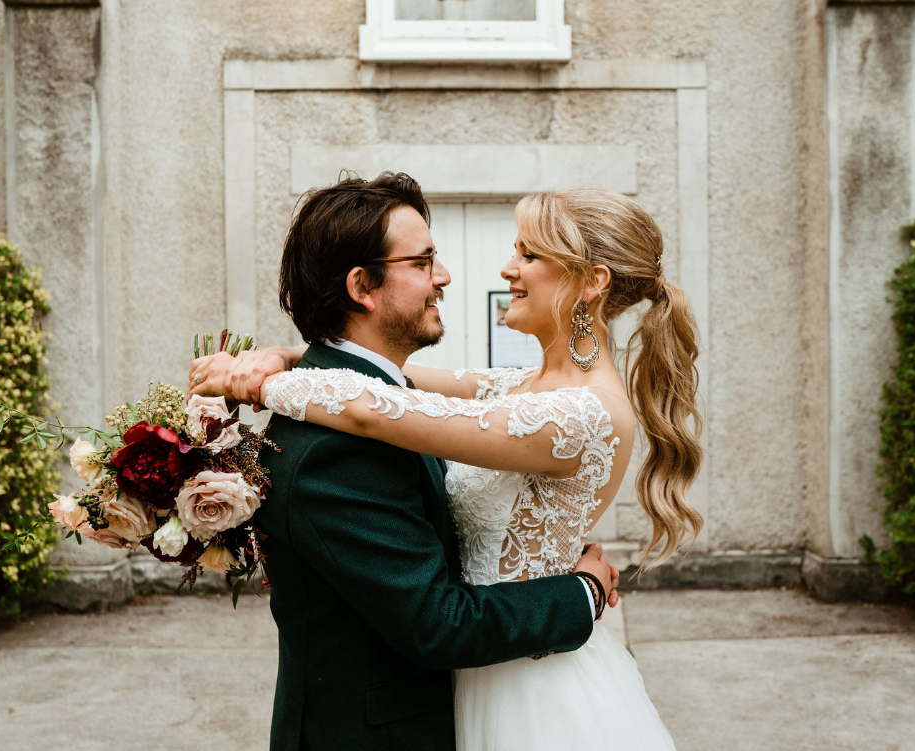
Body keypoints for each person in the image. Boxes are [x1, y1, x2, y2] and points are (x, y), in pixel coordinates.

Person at [194, 182, 702, 750]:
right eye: (517, 249)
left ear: (591, 282)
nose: (507, 268)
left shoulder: (579, 413)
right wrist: (280, 356)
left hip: (532, 689)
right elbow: (397, 386)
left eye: (529, 254)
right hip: (474, 668)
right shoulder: (516, 388)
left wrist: (263, 383)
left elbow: (380, 409)